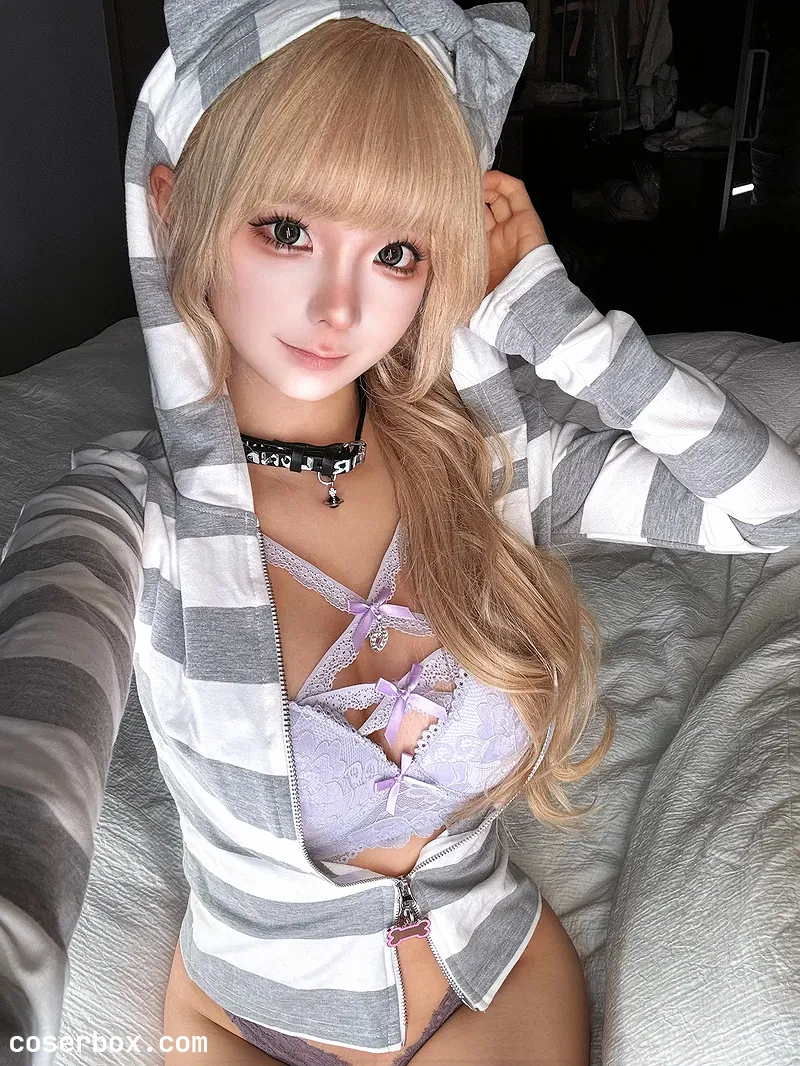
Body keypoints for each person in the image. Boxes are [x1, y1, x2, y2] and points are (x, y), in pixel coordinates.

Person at [2, 2, 800, 1065]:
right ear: (178, 210)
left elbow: (772, 508)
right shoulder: (128, 515)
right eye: (285, 230)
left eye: (394, 250)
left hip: (494, 982)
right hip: (242, 1021)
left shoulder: (491, 468)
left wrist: (572, 335)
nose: (339, 308)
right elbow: (32, 740)